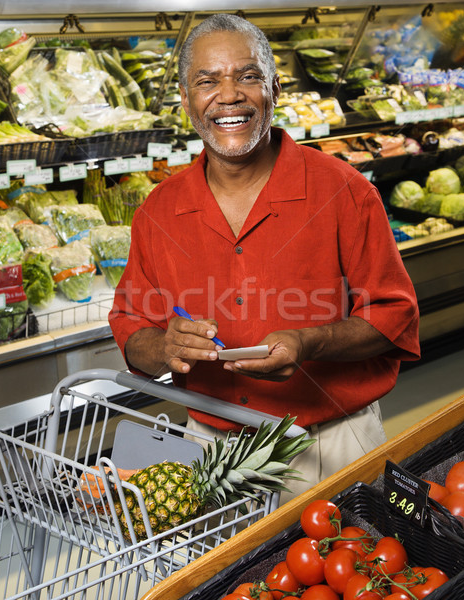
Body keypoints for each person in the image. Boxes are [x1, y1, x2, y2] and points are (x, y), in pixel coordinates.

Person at [109, 13, 420, 501]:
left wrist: (308, 342)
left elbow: (393, 314)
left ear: (274, 89)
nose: (229, 95)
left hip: (330, 443)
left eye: (248, 77)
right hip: (211, 453)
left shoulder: (344, 190)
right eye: (207, 81)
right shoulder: (158, 211)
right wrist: (165, 348)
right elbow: (132, 327)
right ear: (188, 101)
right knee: (225, 580)